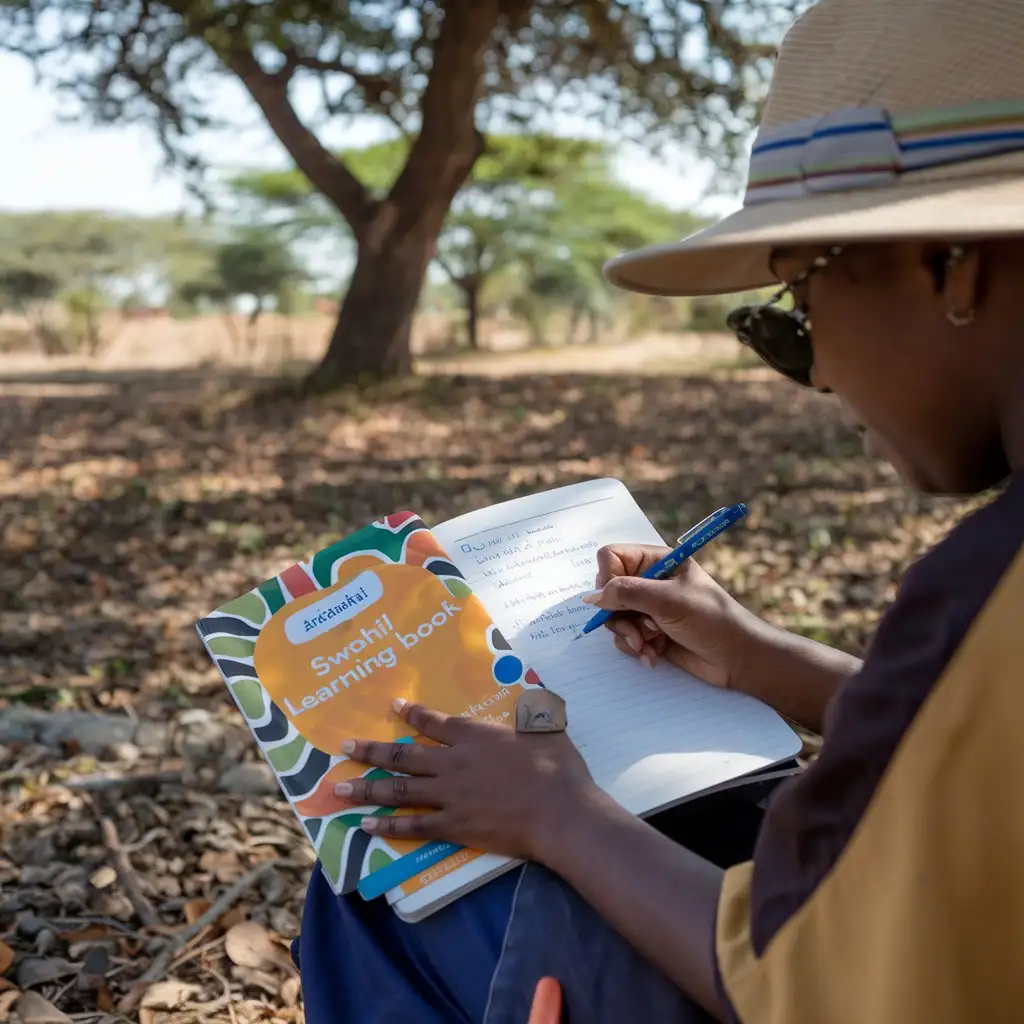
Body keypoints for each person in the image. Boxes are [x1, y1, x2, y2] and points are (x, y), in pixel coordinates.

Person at [290, 0, 1024, 1020]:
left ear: (954, 265)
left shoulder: (985, 593)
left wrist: (564, 813)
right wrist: (759, 656)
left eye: (798, 311)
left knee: (381, 889)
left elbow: (815, 987)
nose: (813, 374)